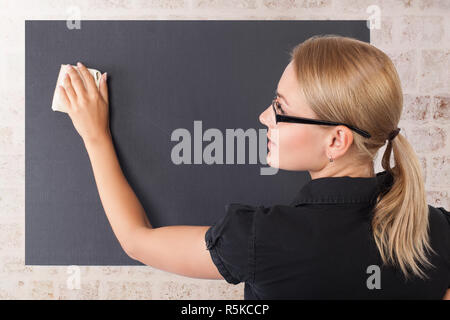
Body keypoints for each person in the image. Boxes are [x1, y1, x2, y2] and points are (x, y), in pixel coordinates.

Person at [57, 34, 450, 299]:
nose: (264, 117)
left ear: (336, 140)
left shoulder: (262, 239)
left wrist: (95, 136)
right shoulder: (440, 231)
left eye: (281, 109)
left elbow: (136, 241)